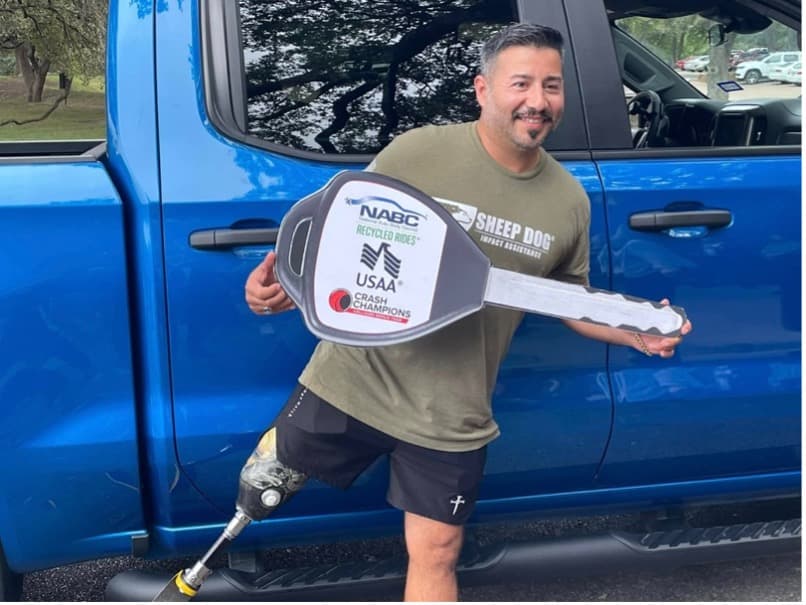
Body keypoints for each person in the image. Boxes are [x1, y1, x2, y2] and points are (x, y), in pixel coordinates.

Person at [244, 23, 692, 601]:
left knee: (437, 552)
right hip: (352, 380)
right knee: (257, 493)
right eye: (521, 83)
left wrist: (634, 333)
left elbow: (567, 300)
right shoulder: (419, 151)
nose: (537, 101)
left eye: (551, 86)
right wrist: (283, 287)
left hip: (451, 409)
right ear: (483, 89)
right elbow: (344, 238)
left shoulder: (568, 201)